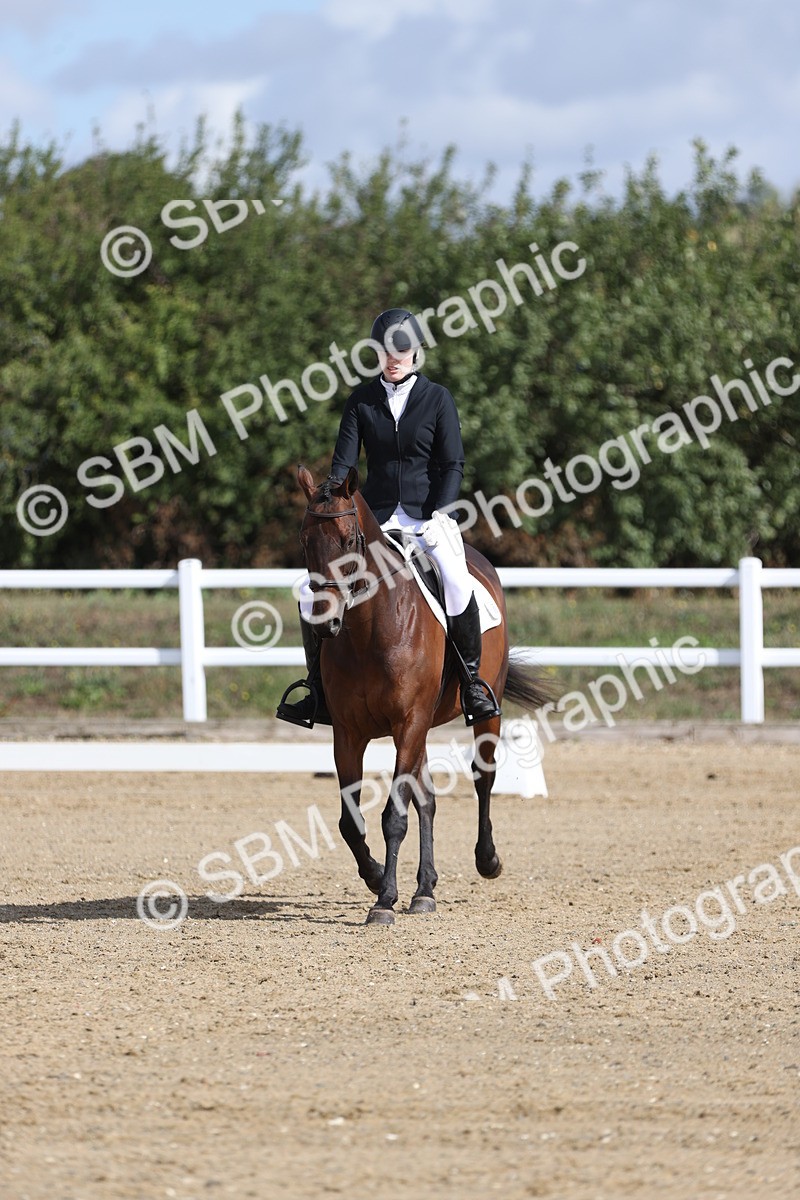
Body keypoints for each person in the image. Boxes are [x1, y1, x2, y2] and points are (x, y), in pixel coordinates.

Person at [277, 307, 501, 728]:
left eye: (402, 350)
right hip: (373, 522)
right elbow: (343, 467)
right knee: (309, 592)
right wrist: (327, 502)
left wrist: (440, 511)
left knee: (454, 575)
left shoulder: (438, 399)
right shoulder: (361, 402)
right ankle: (317, 690)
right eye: (386, 350)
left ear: (416, 352)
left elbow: (453, 463)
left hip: (426, 517)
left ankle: (471, 682)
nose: (394, 357)